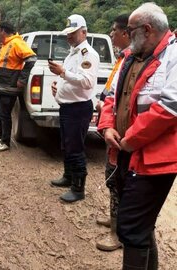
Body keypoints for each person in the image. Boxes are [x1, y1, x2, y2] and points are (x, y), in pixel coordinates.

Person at [98, 3, 176, 269]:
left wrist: (131, 139)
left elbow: (169, 108)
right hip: (124, 151)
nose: (125, 36)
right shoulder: (130, 56)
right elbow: (111, 96)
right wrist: (107, 127)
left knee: (131, 226)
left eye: (129, 31)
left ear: (147, 29)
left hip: (152, 159)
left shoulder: (173, 56)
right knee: (141, 226)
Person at [49, 14, 100, 203]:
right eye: (67, 33)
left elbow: (87, 82)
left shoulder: (88, 54)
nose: (68, 37)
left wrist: (62, 72)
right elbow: (72, 78)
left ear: (84, 32)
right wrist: (59, 87)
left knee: (75, 147)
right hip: (68, 107)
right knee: (66, 145)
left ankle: (78, 189)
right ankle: (68, 176)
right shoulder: (73, 53)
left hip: (78, 109)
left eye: (73, 33)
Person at [95, 14, 130, 252]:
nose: (111, 35)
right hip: (112, 127)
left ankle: (117, 233)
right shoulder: (123, 58)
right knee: (112, 179)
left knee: (119, 182)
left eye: (114, 31)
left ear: (127, 33)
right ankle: (114, 220)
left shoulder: (133, 60)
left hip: (121, 135)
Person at [0, 22, 36, 152]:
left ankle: (5, 142)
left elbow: (31, 59)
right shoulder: (7, 43)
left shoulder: (16, 43)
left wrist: (22, 78)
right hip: (1, 86)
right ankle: (0, 138)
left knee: (4, 114)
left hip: (9, 86)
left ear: (3, 31)